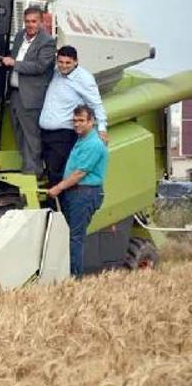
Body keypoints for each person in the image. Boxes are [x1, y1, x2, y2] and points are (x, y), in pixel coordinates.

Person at [47, 105, 108, 277]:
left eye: (81, 120)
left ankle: (74, 278)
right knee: (71, 236)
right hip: (76, 193)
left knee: (75, 237)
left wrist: (57, 188)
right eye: (74, 121)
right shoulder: (82, 140)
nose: (77, 124)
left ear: (92, 121)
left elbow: (79, 173)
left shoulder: (94, 144)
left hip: (84, 193)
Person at [40, 45, 108, 188]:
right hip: (46, 132)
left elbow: (96, 104)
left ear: (76, 62)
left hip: (63, 134)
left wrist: (102, 128)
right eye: (60, 62)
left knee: (57, 174)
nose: (63, 66)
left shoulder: (84, 78)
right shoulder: (56, 73)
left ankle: (60, 207)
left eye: (68, 63)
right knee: (47, 173)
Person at [0, 6, 56, 175]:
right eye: (27, 21)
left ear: (41, 22)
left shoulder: (47, 41)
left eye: (34, 21)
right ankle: (26, 167)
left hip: (32, 96)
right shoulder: (19, 37)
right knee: (19, 133)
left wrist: (14, 63)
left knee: (31, 135)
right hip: (15, 93)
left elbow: (40, 66)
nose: (30, 25)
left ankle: (34, 171)